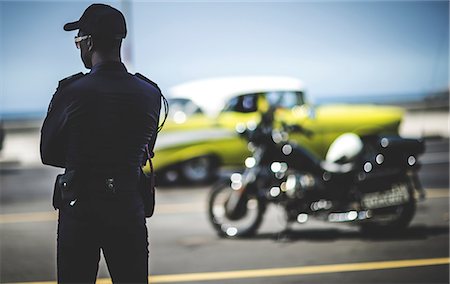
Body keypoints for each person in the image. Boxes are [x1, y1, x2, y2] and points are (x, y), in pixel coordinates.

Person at [40, 4, 162, 283]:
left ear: (90, 42)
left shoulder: (72, 92)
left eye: (78, 41)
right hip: (129, 207)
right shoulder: (149, 92)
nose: (79, 47)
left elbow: (48, 153)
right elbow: (145, 150)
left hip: (80, 209)